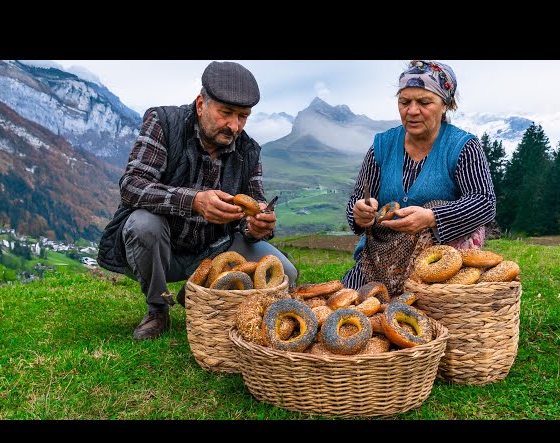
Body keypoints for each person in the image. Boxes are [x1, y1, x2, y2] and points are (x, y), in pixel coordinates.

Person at [97, 61, 298, 341]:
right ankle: (157, 308)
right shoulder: (164, 123)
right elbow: (132, 186)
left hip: (213, 251)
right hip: (159, 250)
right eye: (226, 113)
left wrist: (258, 226)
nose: (234, 126)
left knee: (286, 272)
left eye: (243, 116)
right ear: (201, 103)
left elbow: (253, 211)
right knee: (144, 224)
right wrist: (193, 201)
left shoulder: (248, 150)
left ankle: (196, 294)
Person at [341, 60, 496, 297]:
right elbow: (357, 200)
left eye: (424, 102)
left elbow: (484, 202)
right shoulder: (382, 146)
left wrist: (432, 217)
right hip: (380, 257)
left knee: (425, 311)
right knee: (352, 300)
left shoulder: (463, 146)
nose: (412, 111)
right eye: (405, 102)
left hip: (438, 260)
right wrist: (360, 212)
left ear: (446, 105)